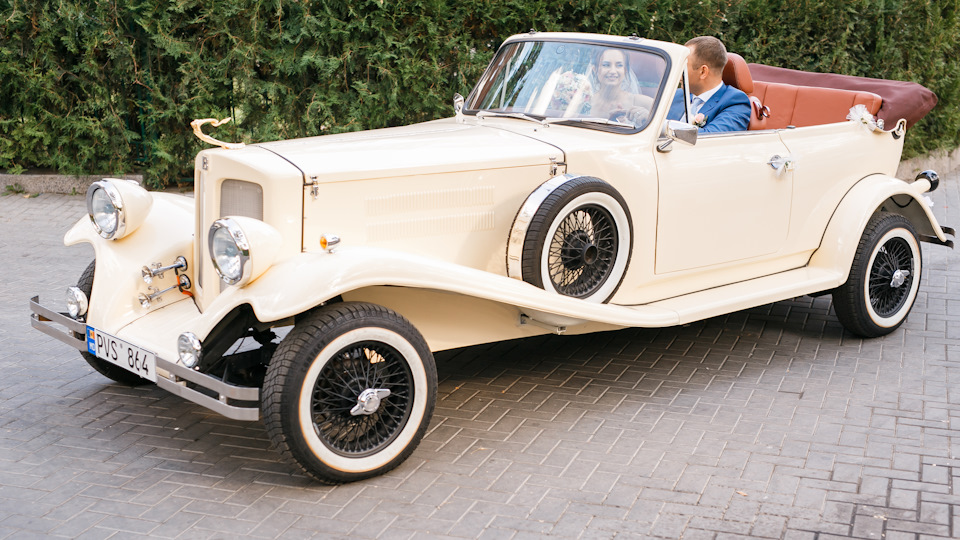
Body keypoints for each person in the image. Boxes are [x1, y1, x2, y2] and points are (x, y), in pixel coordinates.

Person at [668, 36, 750, 133]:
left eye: (683, 66)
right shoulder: (675, 95)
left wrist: (665, 128)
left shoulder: (735, 102)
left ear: (703, 72)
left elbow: (711, 138)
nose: (678, 71)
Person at [587, 48, 652, 125]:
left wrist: (647, 119)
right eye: (606, 65)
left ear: (625, 70)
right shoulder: (585, 102)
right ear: (594, 69)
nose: (613, 71)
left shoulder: (645, 103)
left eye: (619, 65)